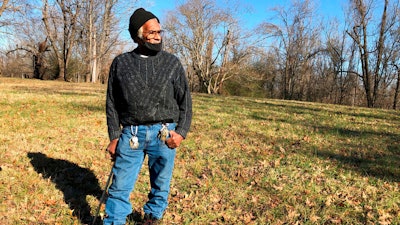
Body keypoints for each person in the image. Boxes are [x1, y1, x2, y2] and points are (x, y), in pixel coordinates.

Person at [103, 8, 192, 225]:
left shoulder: (172, 63)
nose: (157, 37)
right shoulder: (121, 63)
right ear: (137, 35)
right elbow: (112, 103)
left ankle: (152, 217)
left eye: (159, 32)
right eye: (151, 33)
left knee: (161, 183)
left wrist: (180, 132)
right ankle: (114, 220)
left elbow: (186, 102)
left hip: (164, 134)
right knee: (119, 185)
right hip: (130, 135)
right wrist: (114, 136)